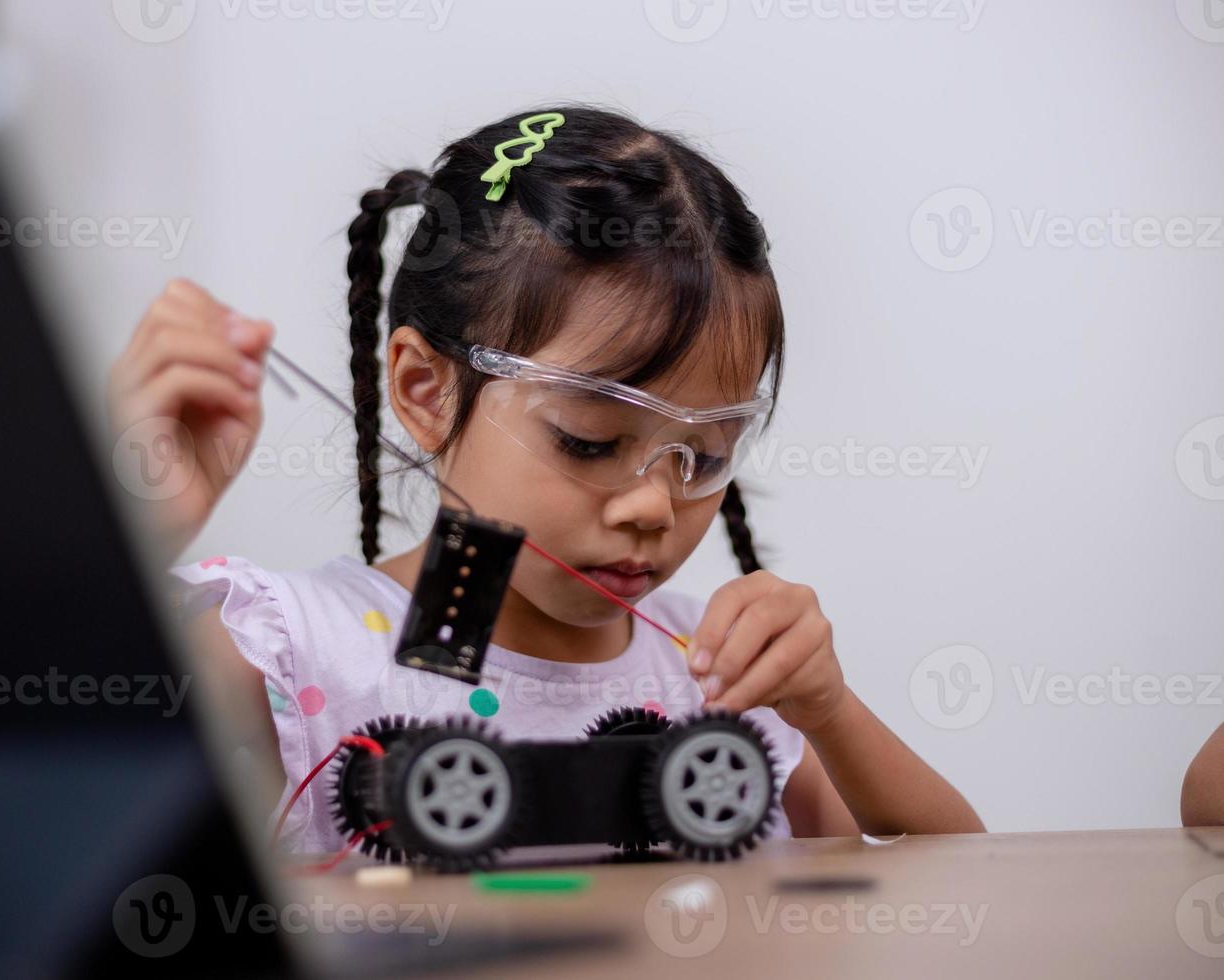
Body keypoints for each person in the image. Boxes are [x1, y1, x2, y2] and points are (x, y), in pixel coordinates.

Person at [106, 105, 984, 854]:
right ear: (424, 389)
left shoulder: (725, 687)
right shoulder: (289, 653)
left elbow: (970, 890)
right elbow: (12, 810)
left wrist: (830, 711)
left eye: (706, 455)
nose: (652, 505)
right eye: (589, 440)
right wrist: (129, 528)